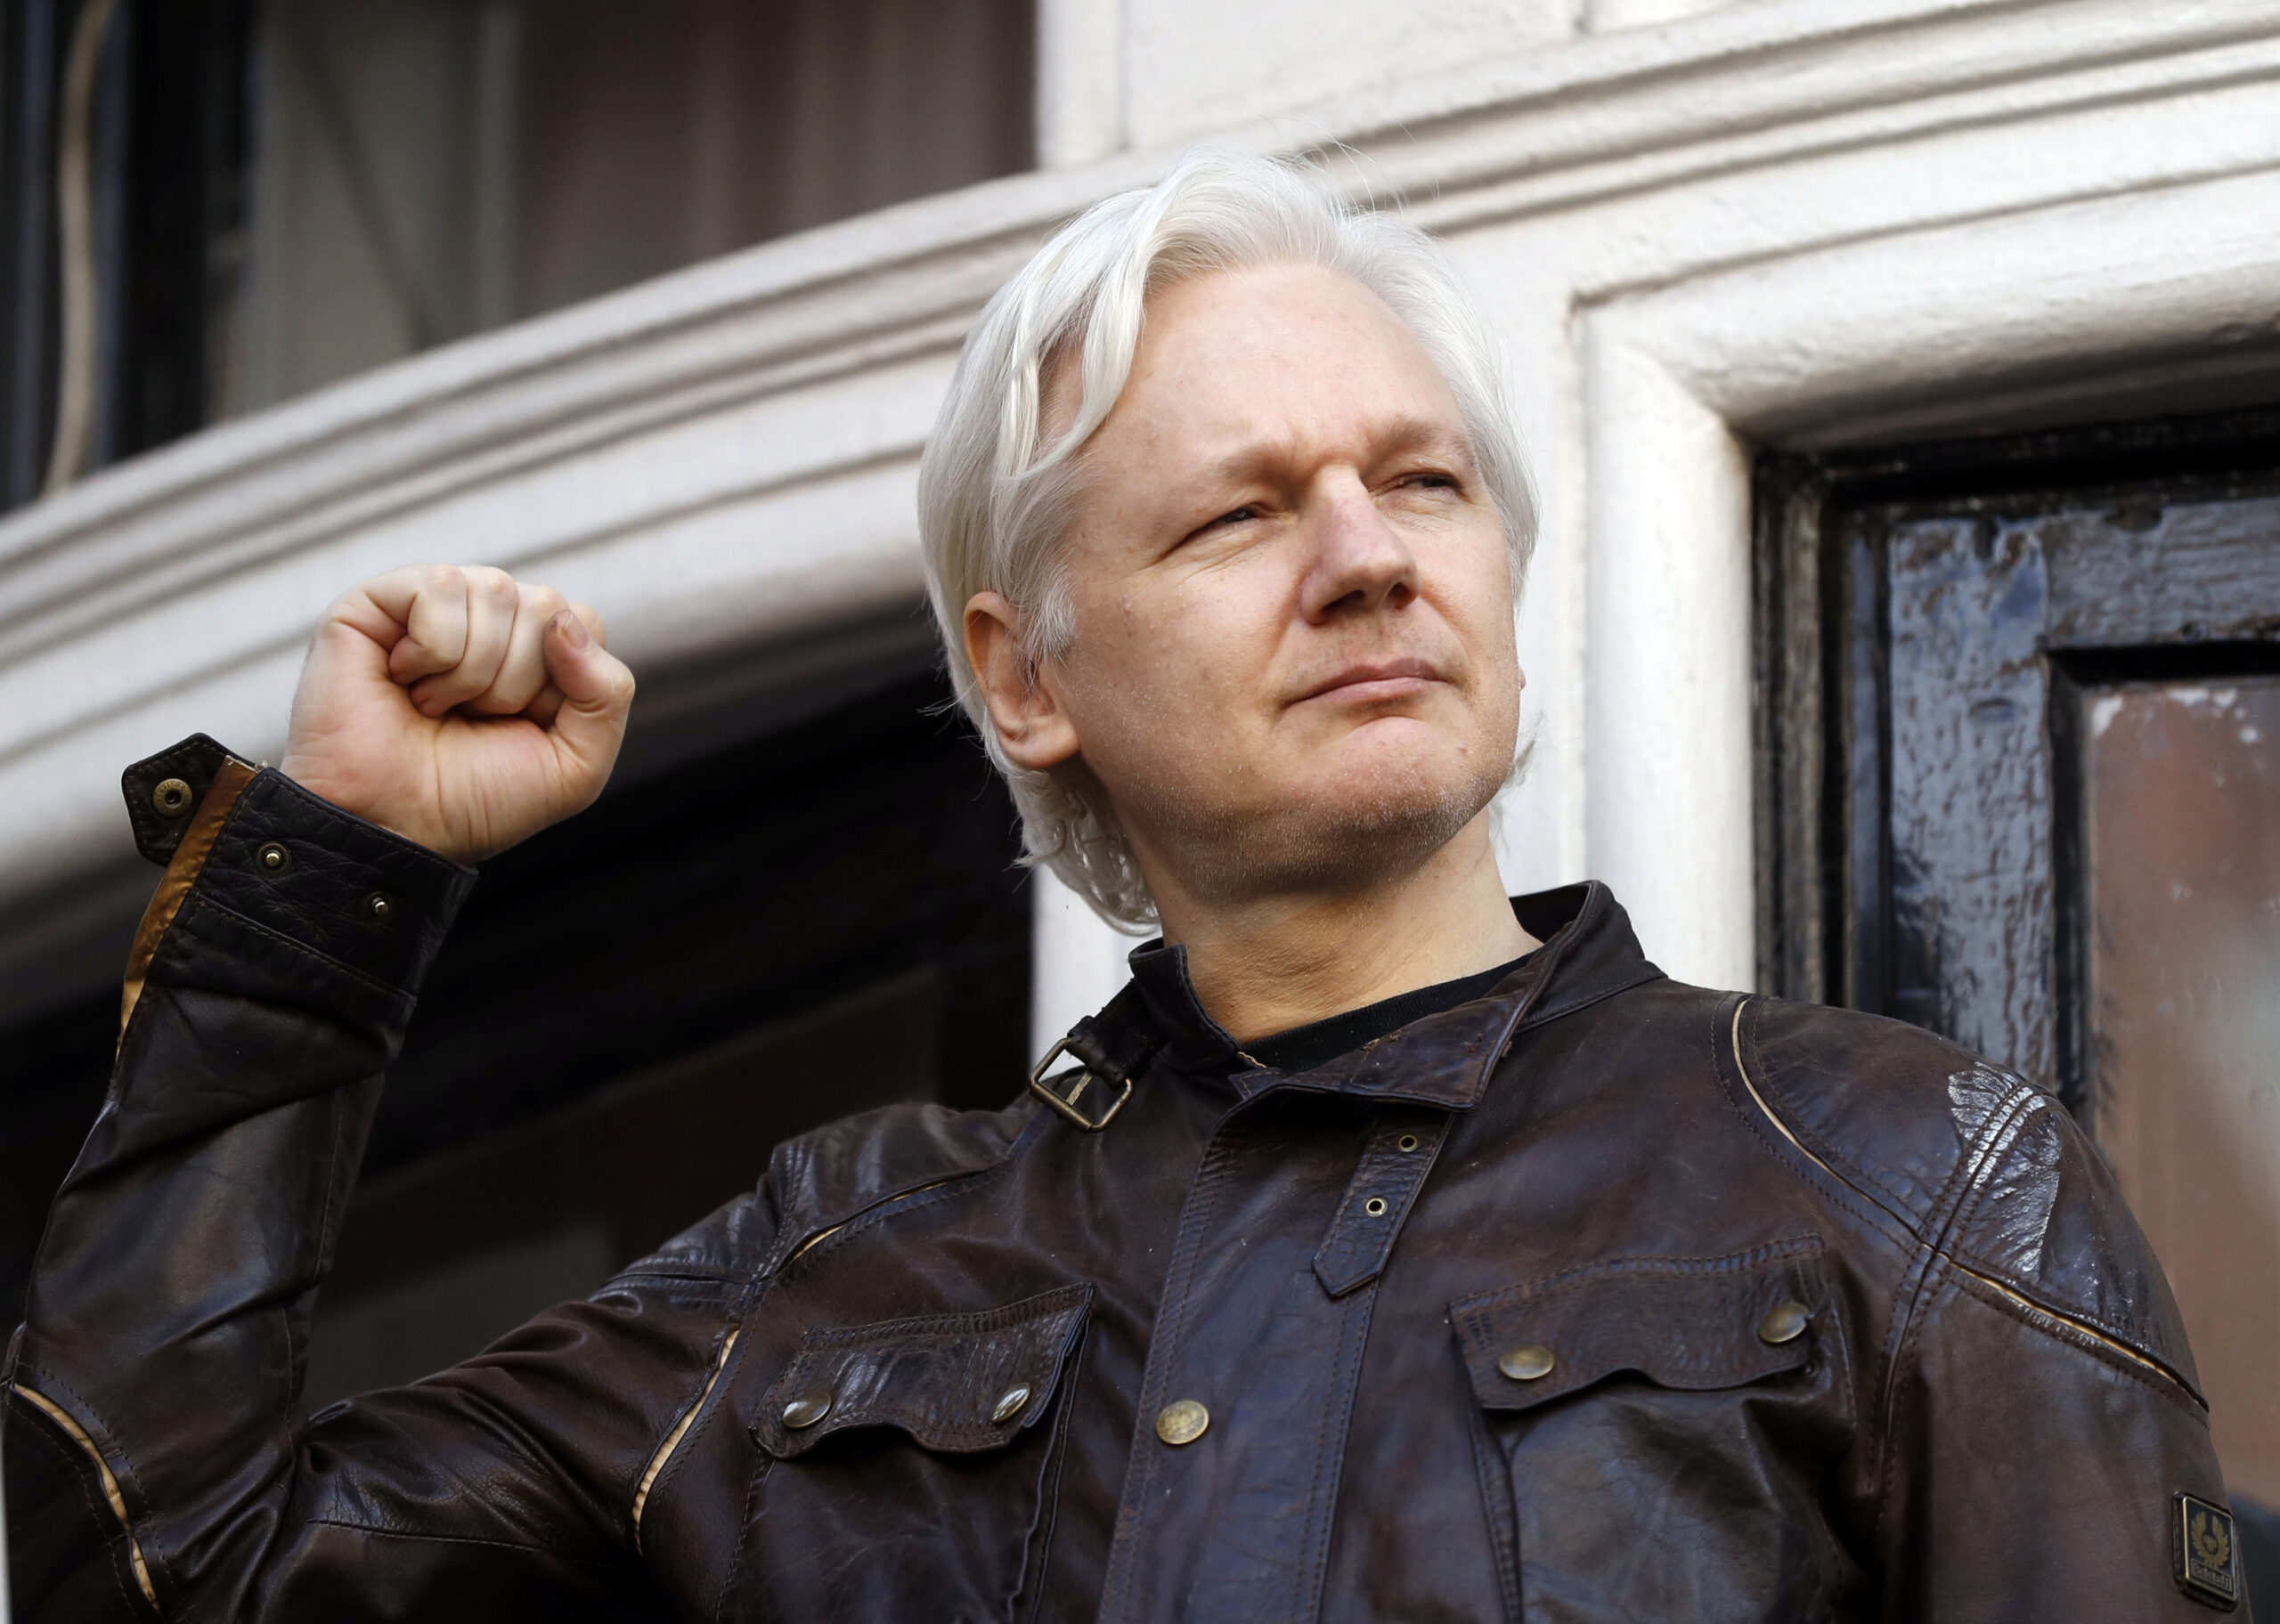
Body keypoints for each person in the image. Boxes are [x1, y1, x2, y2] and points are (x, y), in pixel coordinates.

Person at [1, 151, 2246, 1623]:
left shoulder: (1905, 1177)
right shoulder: (824, 1274)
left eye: (1421, 483)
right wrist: (328, 881)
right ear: (1025, 671)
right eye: (1237, 515)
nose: (1368, 554)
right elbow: (151, 1572)